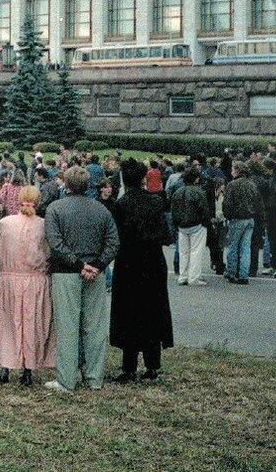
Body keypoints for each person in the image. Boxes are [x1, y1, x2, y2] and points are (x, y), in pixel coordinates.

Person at [44, 166, 120, 392]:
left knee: (67, 327)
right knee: (94, 327)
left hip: (66, 272)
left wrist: (79, 264)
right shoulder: (101, 210)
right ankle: (95, 377)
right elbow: (113, 242)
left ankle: (66, 379)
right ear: (88, 186)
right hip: (95, 273)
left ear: (66, 185)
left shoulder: (55, 209)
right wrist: (96, 265)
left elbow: (56, 244)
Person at [109, 159, 173, 382]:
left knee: (129, 312)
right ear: (144, 178)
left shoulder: (121, 204)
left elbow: (116, 238)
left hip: (128, 263)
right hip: (153, 262)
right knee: (152, 310)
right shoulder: (155, 203)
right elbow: (166, 235)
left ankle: (129, 366)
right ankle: (152, 364)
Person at [0, 184, 54, 387]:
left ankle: (5, 367)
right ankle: (28, 368)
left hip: (10, 279)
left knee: (8, 322)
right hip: (35, 280)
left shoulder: (5, 223)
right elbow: (47, 253)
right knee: (31, 323)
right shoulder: (43, 225)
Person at [222, 162, 265, 285]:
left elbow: (227, 204)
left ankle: (231, 271)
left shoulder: (232, 185)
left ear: (237, 171)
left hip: (237, 218)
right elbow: (259, 204)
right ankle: (244, 274)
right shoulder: (252, 185)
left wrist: (228, 216)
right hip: (250, 218)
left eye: (233, 169)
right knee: (246, 247)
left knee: (233, 246)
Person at [171, 168, 211, 286]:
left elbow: (173, 210)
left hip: (182, 226)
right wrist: (206, 223)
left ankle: (183, 276)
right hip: (197, 225)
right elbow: (204, 210)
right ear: (196, 179)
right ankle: (193, 277)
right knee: (196, 251)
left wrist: (176, 225)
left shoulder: (178, 192)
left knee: (184, 252)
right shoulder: (199, 192)